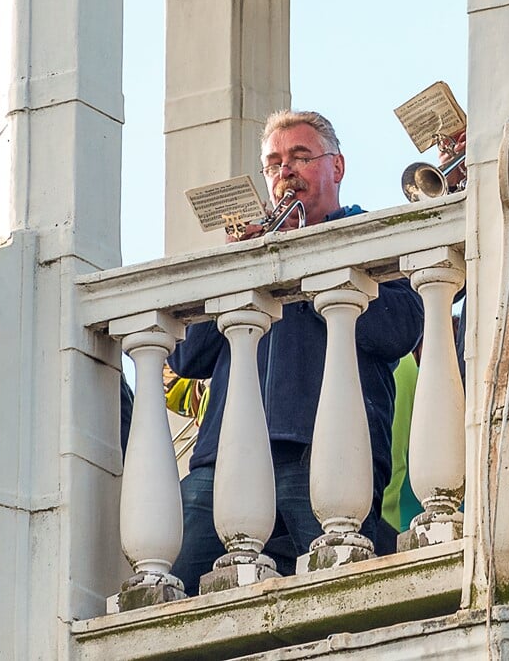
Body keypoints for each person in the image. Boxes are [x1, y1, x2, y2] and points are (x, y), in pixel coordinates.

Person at [167, 111, 423, 592]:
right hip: (224, 458)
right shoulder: (249, 249)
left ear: (337, 167)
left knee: (340, 596)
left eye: (301, 157)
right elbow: (186, 358)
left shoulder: (374, 235)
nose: (285, 171)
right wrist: (232, 267)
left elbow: (401, 329)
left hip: (324, 453)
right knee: (165, 589)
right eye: (274, 163)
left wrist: (315, 256)